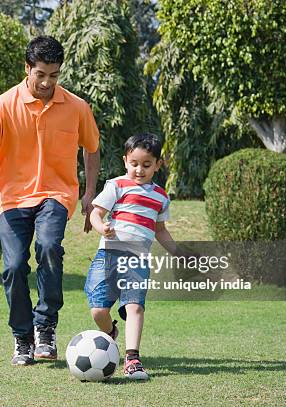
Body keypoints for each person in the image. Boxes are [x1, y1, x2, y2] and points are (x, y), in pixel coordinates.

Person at [0, 36, 100, 366]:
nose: (47, 82)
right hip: (12, 197)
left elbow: (92, 148)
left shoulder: (77, 107)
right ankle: (22, 336)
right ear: (27, 69)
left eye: (54, 75)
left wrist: (89, 193)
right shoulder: (2, 106)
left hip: (56, 193)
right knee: (12, 267)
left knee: (50, 248)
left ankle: (46, 326)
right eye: (40, 74)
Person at [85, 134, 181, 380]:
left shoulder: (160, 196)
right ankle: (111, 331)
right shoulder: (116, 185)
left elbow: (160, 231)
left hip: (137, 260)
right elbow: (96, 214)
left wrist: (178, 252)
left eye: (147, 165)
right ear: (125, 160)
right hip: (108, 255)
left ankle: (132, 359)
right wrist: (101, 227)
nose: (139, 170)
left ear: (158, 164)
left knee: (135, 306)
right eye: (134, 164)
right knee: (98, 310)